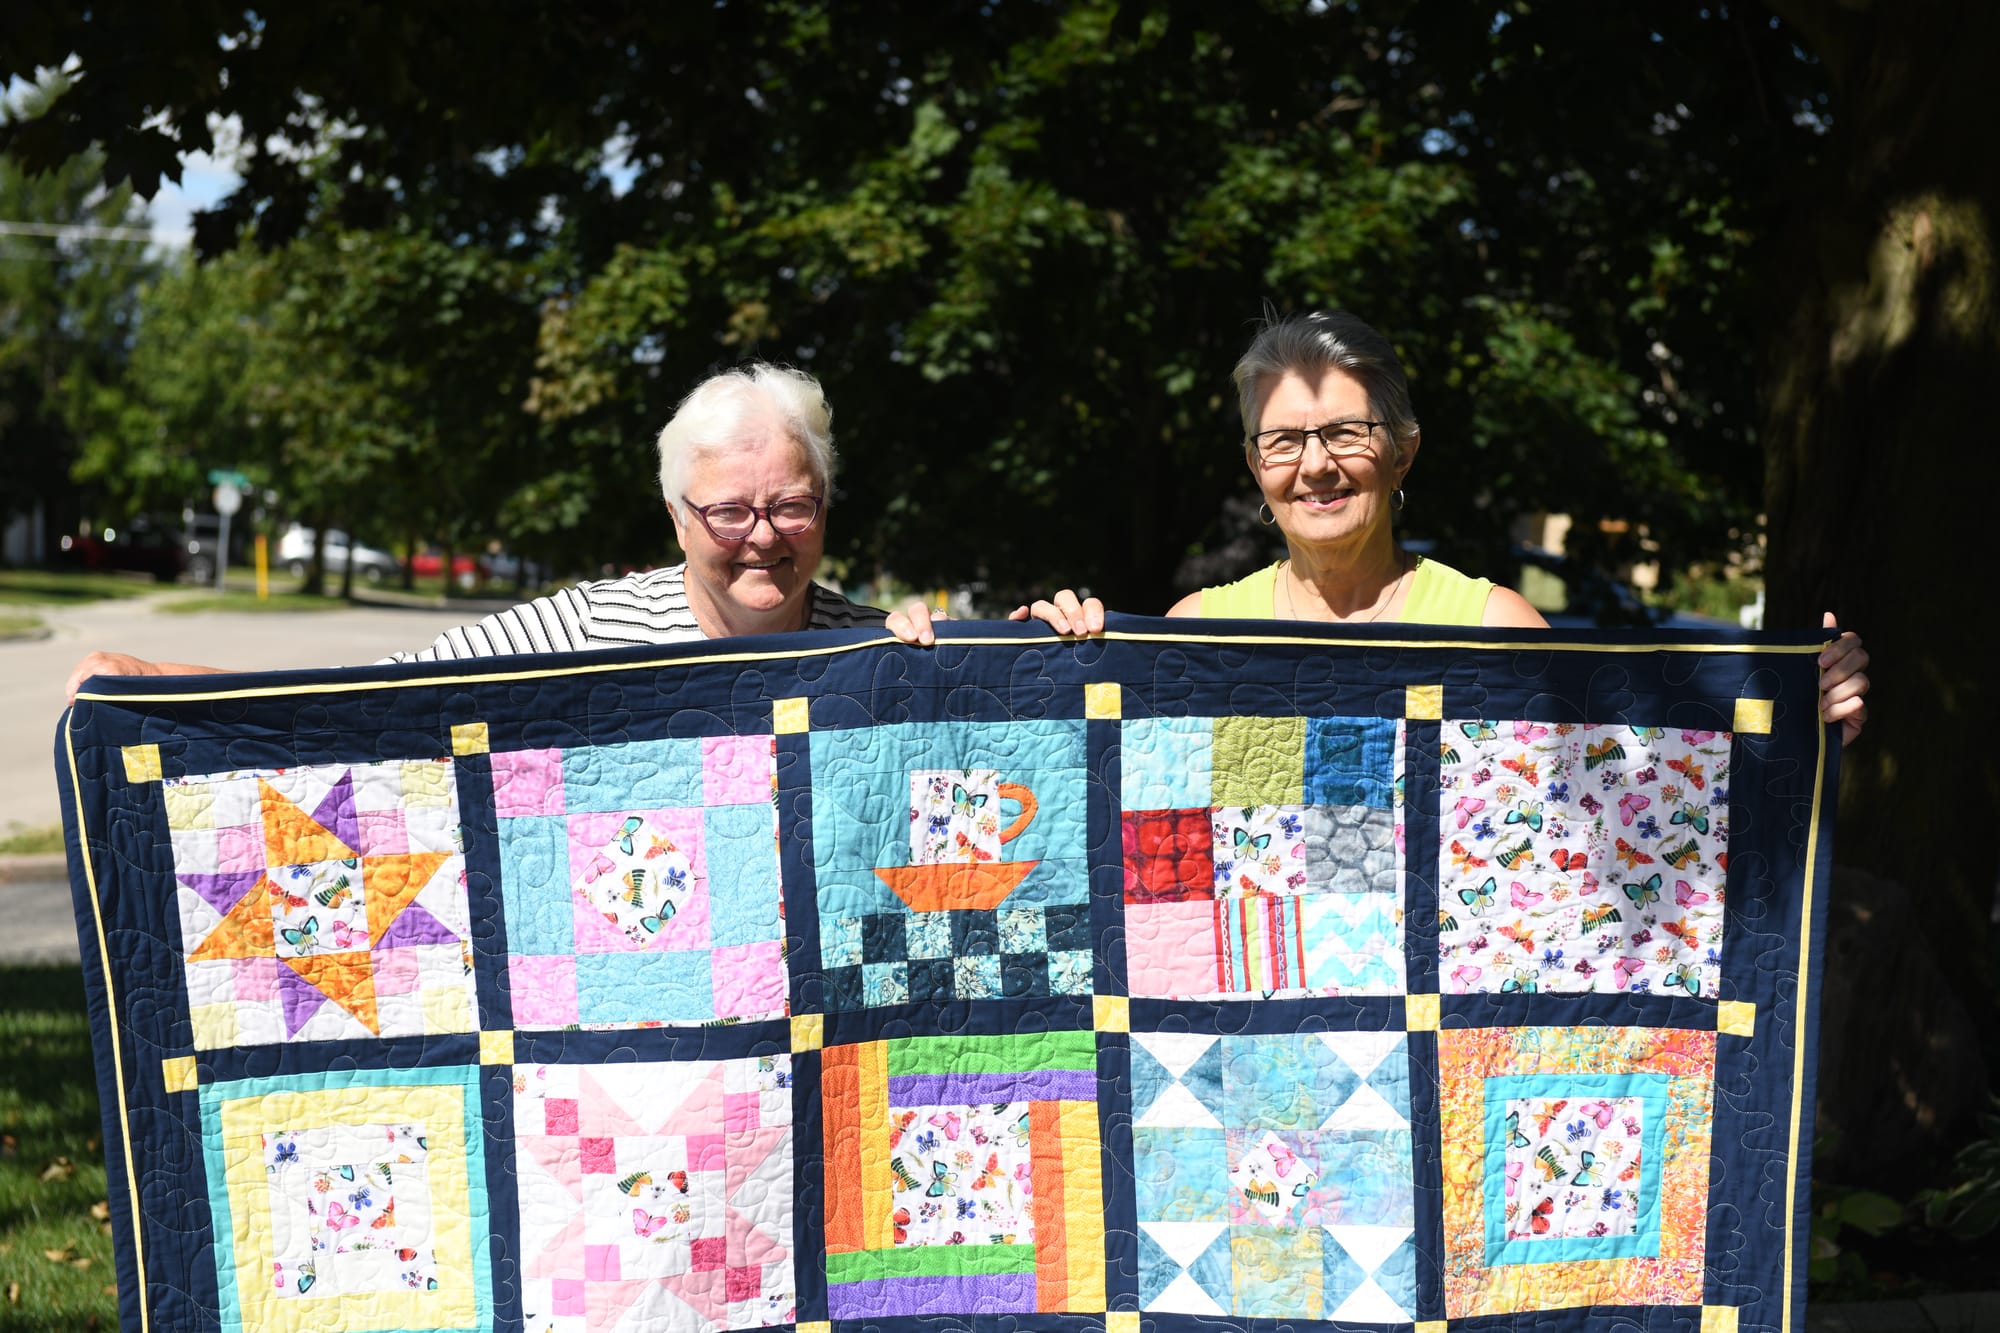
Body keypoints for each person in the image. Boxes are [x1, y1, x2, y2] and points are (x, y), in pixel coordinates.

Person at [978, 309, 1868, 741]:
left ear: (1401, 453)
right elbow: (1098, 813)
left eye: (1345, 434)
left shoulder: (1495, 630)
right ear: (1257, 467)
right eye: (1284, 440)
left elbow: (1622, 802)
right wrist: (1026, 671)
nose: (1316, 464)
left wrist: (1796, 713)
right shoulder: (1198, 633)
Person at [65, 363, 918, 698]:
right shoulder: (589, 628)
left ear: (824, 507)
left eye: (792, 505)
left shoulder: (883, 650)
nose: (764, 535)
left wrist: (1042, 650)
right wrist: (144, 684)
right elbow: (368, 699)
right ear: (677, 515)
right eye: (730, 510)